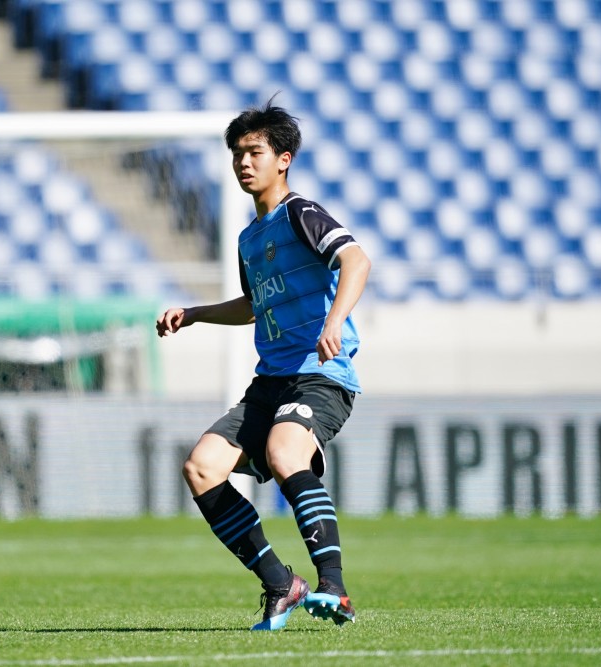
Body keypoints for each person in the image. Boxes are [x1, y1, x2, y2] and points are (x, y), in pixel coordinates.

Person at [155, 99, 371, 631]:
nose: (244, 162)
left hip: (319, 374)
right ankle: (281, 583)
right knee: (201, 468)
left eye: (255, 151)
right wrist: (195, 314)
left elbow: (356, 259)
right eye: (237, 153)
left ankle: (334, 587)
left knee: (284, 452)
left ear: (284, 159)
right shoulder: (249, 238)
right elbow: (254, 306)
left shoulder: (301, 213)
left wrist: (335, 321)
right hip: (270, 381)